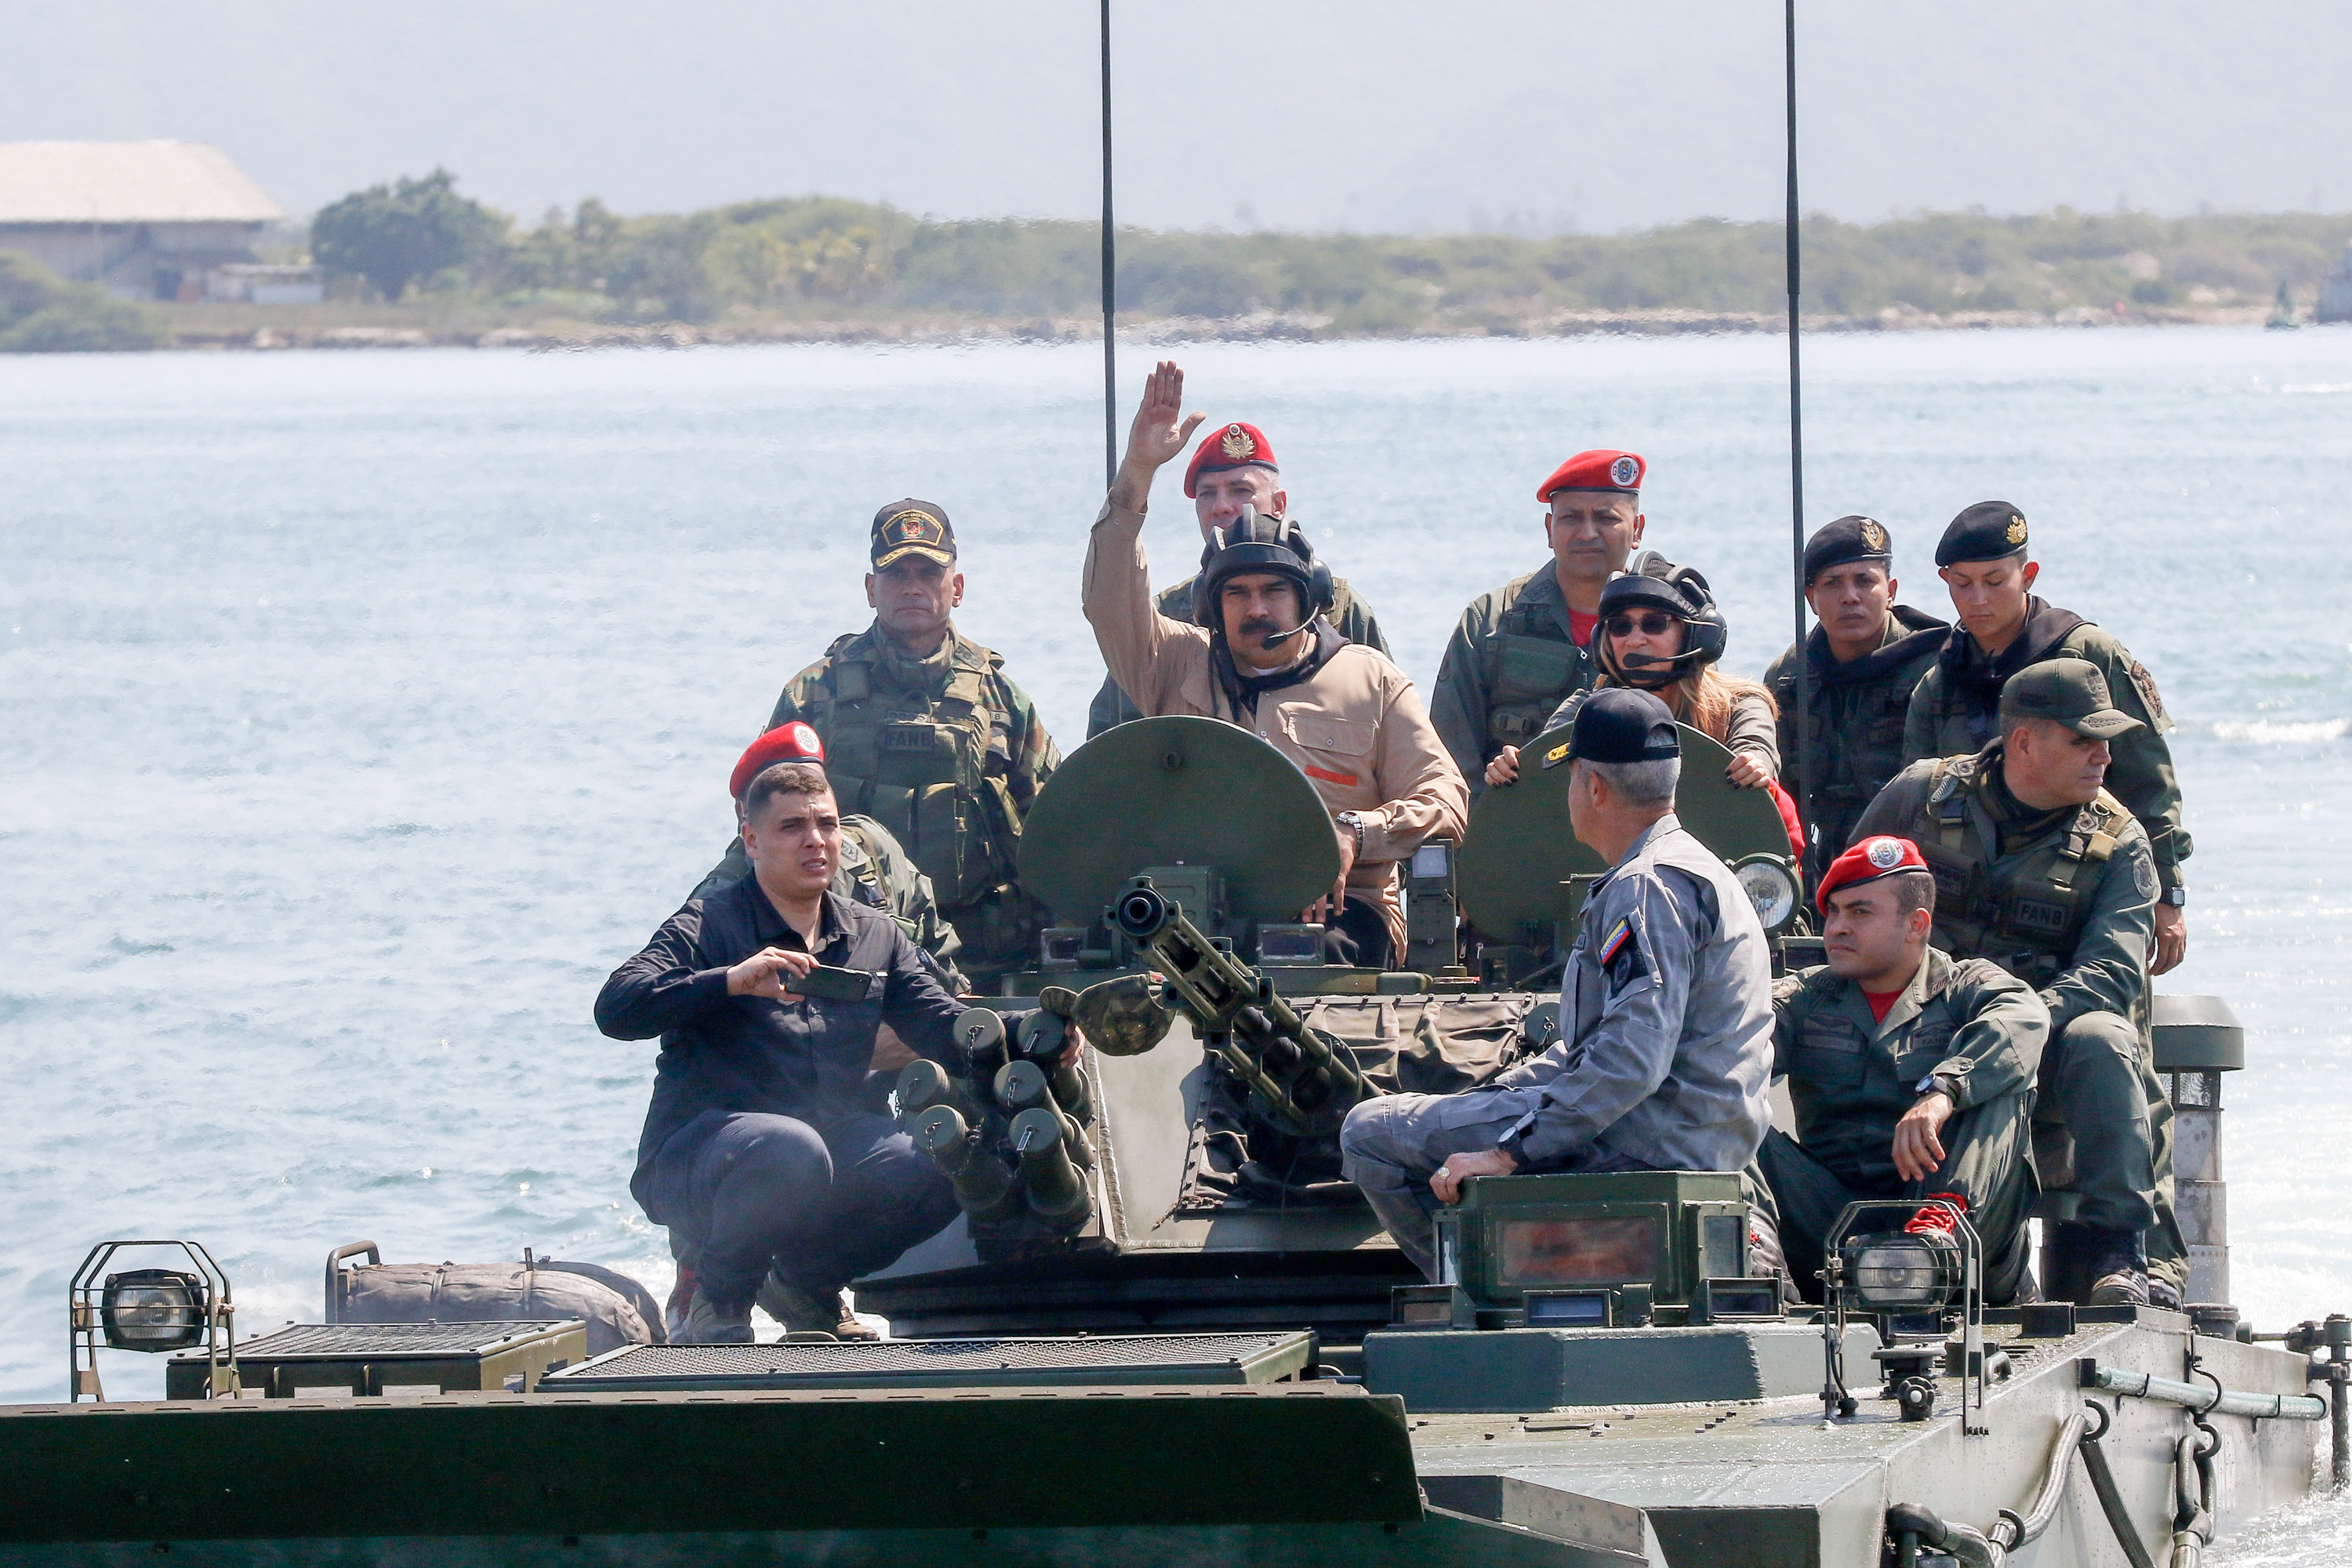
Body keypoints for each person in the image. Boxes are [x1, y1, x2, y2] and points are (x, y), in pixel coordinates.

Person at [1339, 689, 1776, 1279]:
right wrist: (1501, 1096)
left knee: (1371, 1132)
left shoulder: (1645, 887)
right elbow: (1602, 1045)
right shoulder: (1696, 868)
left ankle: (1484, 1297)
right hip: (1688, 1132)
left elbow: (1630, 1062)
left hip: (1644, 1143)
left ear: (1592, 787)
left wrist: (1506, 1153)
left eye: (1570, 778)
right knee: (1456, 1112)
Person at [594, 730, 979, 1343]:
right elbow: (617, 1008)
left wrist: (1050, 1027)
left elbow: (945, 1025)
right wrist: (729, 982)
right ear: (751, 840)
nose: (815, 841)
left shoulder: (873, 934)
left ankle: (806, 1285)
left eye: (825, 825)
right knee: (787, 1148)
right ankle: (720, 1302)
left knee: (945, 1157)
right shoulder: (713, 921)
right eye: (792, 827)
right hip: (703, 1159)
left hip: (817, 1151)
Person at [1083, 361, 1469, 969]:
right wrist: (1137, 472)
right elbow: (1108, 601)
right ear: (1213, 605)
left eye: (1274, 593)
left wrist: (1356, 834)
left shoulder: (1370, 681)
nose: (1256, 609)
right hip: (1199, 910)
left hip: (1340, 911)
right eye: (1237, 595)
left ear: (1308, 599)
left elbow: (1445, 797)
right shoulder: (1178, 662)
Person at [1857, 659, 2181, 1308]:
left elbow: (2108, 976)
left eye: (2107, 740)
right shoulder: (1922, 796)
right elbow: (1851, 895)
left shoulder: (2120, 844)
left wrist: (2004, 1026)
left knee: (2105, 1037)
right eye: (2083, 740)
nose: (2103, 757)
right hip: (1926, 1034)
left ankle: (2122, 1252)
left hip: (2053, 1050)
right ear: (2025, 741)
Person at [747, 499, 1060, 990]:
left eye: (928, 572)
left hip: (983, 958)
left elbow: (1054, 829)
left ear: (956, 588)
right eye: (896, 574)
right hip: (846, 954)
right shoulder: (814, 695)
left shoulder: (1002, 700)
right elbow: (759, 822)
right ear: (872, 589)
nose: (912, 586)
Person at [1758, 835, 2049, 1305]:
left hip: (1965, 1239)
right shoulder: (1807, 998)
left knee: (2003, 1074)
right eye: (1832, 912)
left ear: (1916, 925)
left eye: (1860, 913)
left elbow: (2025, 1018)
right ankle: (1757, 1258)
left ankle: (1935, 1235)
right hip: (1835, 1227)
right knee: (1727, 1108)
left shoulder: (1964, 987)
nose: (1836, 928)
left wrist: (1944, 1090)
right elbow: (1735, 1036)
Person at [1904, 501, 2190, 974]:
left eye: (1995, 582)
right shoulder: (1940, 681)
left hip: (2086, 887)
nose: (1978, 599)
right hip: (1973, 906)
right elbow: (1918, 799)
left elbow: (2149, 780)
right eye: (1962, 584)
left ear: (2028, 575)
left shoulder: (2088, 656)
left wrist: (2168, 891)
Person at [1086, 408, 1391, 737]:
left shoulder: (1338, 610)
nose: (1221, 506)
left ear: (1279, 505)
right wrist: (1138, 469)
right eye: (1207, 494)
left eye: (1240, 491)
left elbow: (1391, 726)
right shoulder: (1166, 621)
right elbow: (1110, 743)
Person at [1481, 568, 1803, 862]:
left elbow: (1756, 747)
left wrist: (1752, 764)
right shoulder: (1586, 712)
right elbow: (1546, 766)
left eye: (1655, 624)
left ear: (1694, 634)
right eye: (1620, 627)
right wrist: (1513, 769)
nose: (1635, 639)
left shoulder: (1739, 704)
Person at [1430, 447, 1675, 795]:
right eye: (1571, 518)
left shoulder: (1668, 624)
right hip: (1515, 830)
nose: (1588, 532)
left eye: (1606, 518)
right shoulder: (1491, 622)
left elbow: (1712, 711)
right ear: (1549, 529)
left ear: (1637, 529)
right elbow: (1450, 756)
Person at [691, 724, 967, 996]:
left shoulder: (870, 848)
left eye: (815, 786)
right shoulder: (715, 905)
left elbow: (935, 946)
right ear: (744, 816)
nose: (806, 799)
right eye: (786, 791)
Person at [1762, 516, 1949, 890]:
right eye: (1833, 583)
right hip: (1818, 863)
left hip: (1917, 861)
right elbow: (1773, 786)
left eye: (1865, 581)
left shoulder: (1936, 668)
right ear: (1811, 599)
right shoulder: (1791, 676)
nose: (1850, 596)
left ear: (1890, 590)